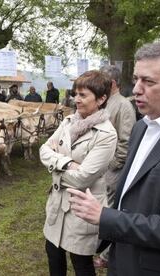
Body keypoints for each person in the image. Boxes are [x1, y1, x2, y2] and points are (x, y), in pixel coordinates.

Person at [67, 40, 160, 276]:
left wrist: (103, 216)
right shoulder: (141, 128)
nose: (137, 89)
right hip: (123, 258)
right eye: (136, 79)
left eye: (148, 81)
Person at [40, 70, 117, 276]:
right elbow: (43, 150)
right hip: (57, 203)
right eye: (76, 94)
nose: (76, 100)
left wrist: (55, 167)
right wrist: (67, 163)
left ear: (101, 99)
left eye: (83, 95)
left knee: (80, 262)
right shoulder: (68, 122)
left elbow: (83, 178)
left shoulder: (106, 134)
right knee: (52, 253)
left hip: (82, 207)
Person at [93, 65, 136, 268]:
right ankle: (100, 247)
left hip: (113, 171)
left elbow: (126, 142)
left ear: (112, 83)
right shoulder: (105, 103)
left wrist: (111, 166)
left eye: (102, 81)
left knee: (112, 211)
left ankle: (109, 255)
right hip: (100, 169)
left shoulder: (124, 106)